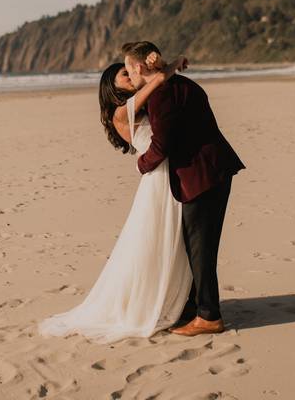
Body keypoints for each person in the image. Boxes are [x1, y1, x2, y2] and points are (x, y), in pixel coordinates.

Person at [38, 55, 192, 343]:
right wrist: (164, 68)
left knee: (168, 242)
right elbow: (156, 80)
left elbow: (156, 84)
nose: (132, 76)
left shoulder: (143, 105)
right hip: (158, 180)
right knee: (151, 242)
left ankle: (174, 299)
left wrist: (172, 63)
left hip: (167, 174)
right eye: (125, 74)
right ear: (112, 86)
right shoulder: (121, 113)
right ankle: (149, 303)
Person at [122, 41, 246, 337]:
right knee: (196, 245)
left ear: (139, 67)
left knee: (200, 247)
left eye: (128, 69)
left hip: (201, 175)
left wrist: (141, 165)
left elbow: (162, 145)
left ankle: (209, 316)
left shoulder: (161, 95)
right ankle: (194, 307)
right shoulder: (183, 84)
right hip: (213, 169)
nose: (129, 74)